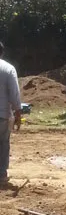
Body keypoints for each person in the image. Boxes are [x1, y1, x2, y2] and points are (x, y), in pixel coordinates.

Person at [0, 41, 22, 185]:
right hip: (2, 115)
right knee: (3, 144)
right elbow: (14, 93)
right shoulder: (8, 69)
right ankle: (1, 175)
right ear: (2, 52)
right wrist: (18, 113)